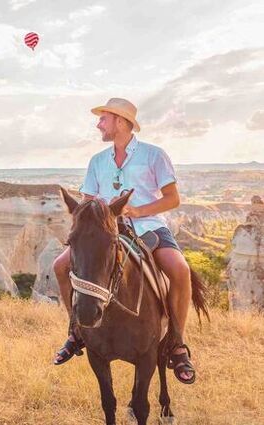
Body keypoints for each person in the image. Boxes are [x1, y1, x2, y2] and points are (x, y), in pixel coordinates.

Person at [52, 98, 197, 384]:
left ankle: (177, 344)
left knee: (179, 269)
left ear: (120, 121)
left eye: (103, 119)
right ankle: (76, 331)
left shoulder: (154, 155)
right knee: (60, 266)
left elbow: (173, 199)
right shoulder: (97, 161)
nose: (98, 125)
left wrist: (138, 210)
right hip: (106, 232)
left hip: (148, 227)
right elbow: (87, 202)